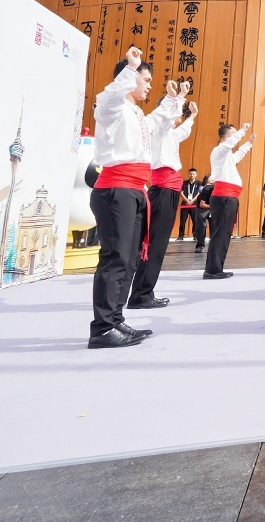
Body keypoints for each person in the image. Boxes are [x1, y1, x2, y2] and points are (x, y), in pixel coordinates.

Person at [88, 47, 184, 349]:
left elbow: (157, 121)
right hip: (116, 189)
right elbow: (109, 97)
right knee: (115, 258)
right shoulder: (112, 108)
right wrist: (131, 68)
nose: (149, 85)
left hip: (134, 190)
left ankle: (115, 320)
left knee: (129, 260)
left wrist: (173, 99)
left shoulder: (137, 114)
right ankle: (103, 328)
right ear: (129, 80)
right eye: (146, 80)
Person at [127, 94, 197, 310]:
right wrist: (178, 97)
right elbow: (167, 119)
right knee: (155, 244)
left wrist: (192, 116)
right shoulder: (160, 129)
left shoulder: (170, 134)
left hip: (169, 190)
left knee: (158, 244)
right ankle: (141, 295)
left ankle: (144, 292)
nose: (179, 117)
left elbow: (183, 131)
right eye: (177, 113)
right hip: (163, 191)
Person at [204, 121, 255, 279]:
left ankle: (216, 268)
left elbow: (238, 155)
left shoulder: (227, 156)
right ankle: (212, 270)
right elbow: (229, 145)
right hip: (223, 197)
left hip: (229, 197)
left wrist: (248, 143)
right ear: (227, 136)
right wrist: (242, 131)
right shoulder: (218, 150)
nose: (236, 138)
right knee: (220, 234)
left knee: (224, 234)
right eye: (233, 135)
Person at [179, 168, 201, 239]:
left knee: (195, 220)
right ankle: (181, 235)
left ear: (196, 174)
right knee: (182, 221)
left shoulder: (199, 183)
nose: (192, 175)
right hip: (185, 204)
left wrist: (192, 200)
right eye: (190, 174)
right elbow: (181, 192)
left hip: (194, 204)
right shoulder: (184, 183)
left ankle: (195, 235)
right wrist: (187, 200)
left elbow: (199, 193)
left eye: (193, 174)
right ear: (189, 174)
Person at [193, 174, 213, 252]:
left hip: (212, 208)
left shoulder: (219, 188)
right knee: (201, 227)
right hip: (202, 209)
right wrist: (213, 206)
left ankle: (214, 246)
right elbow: (202, 204)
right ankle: (200, 245)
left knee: (214, 227)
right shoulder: (206, 189)